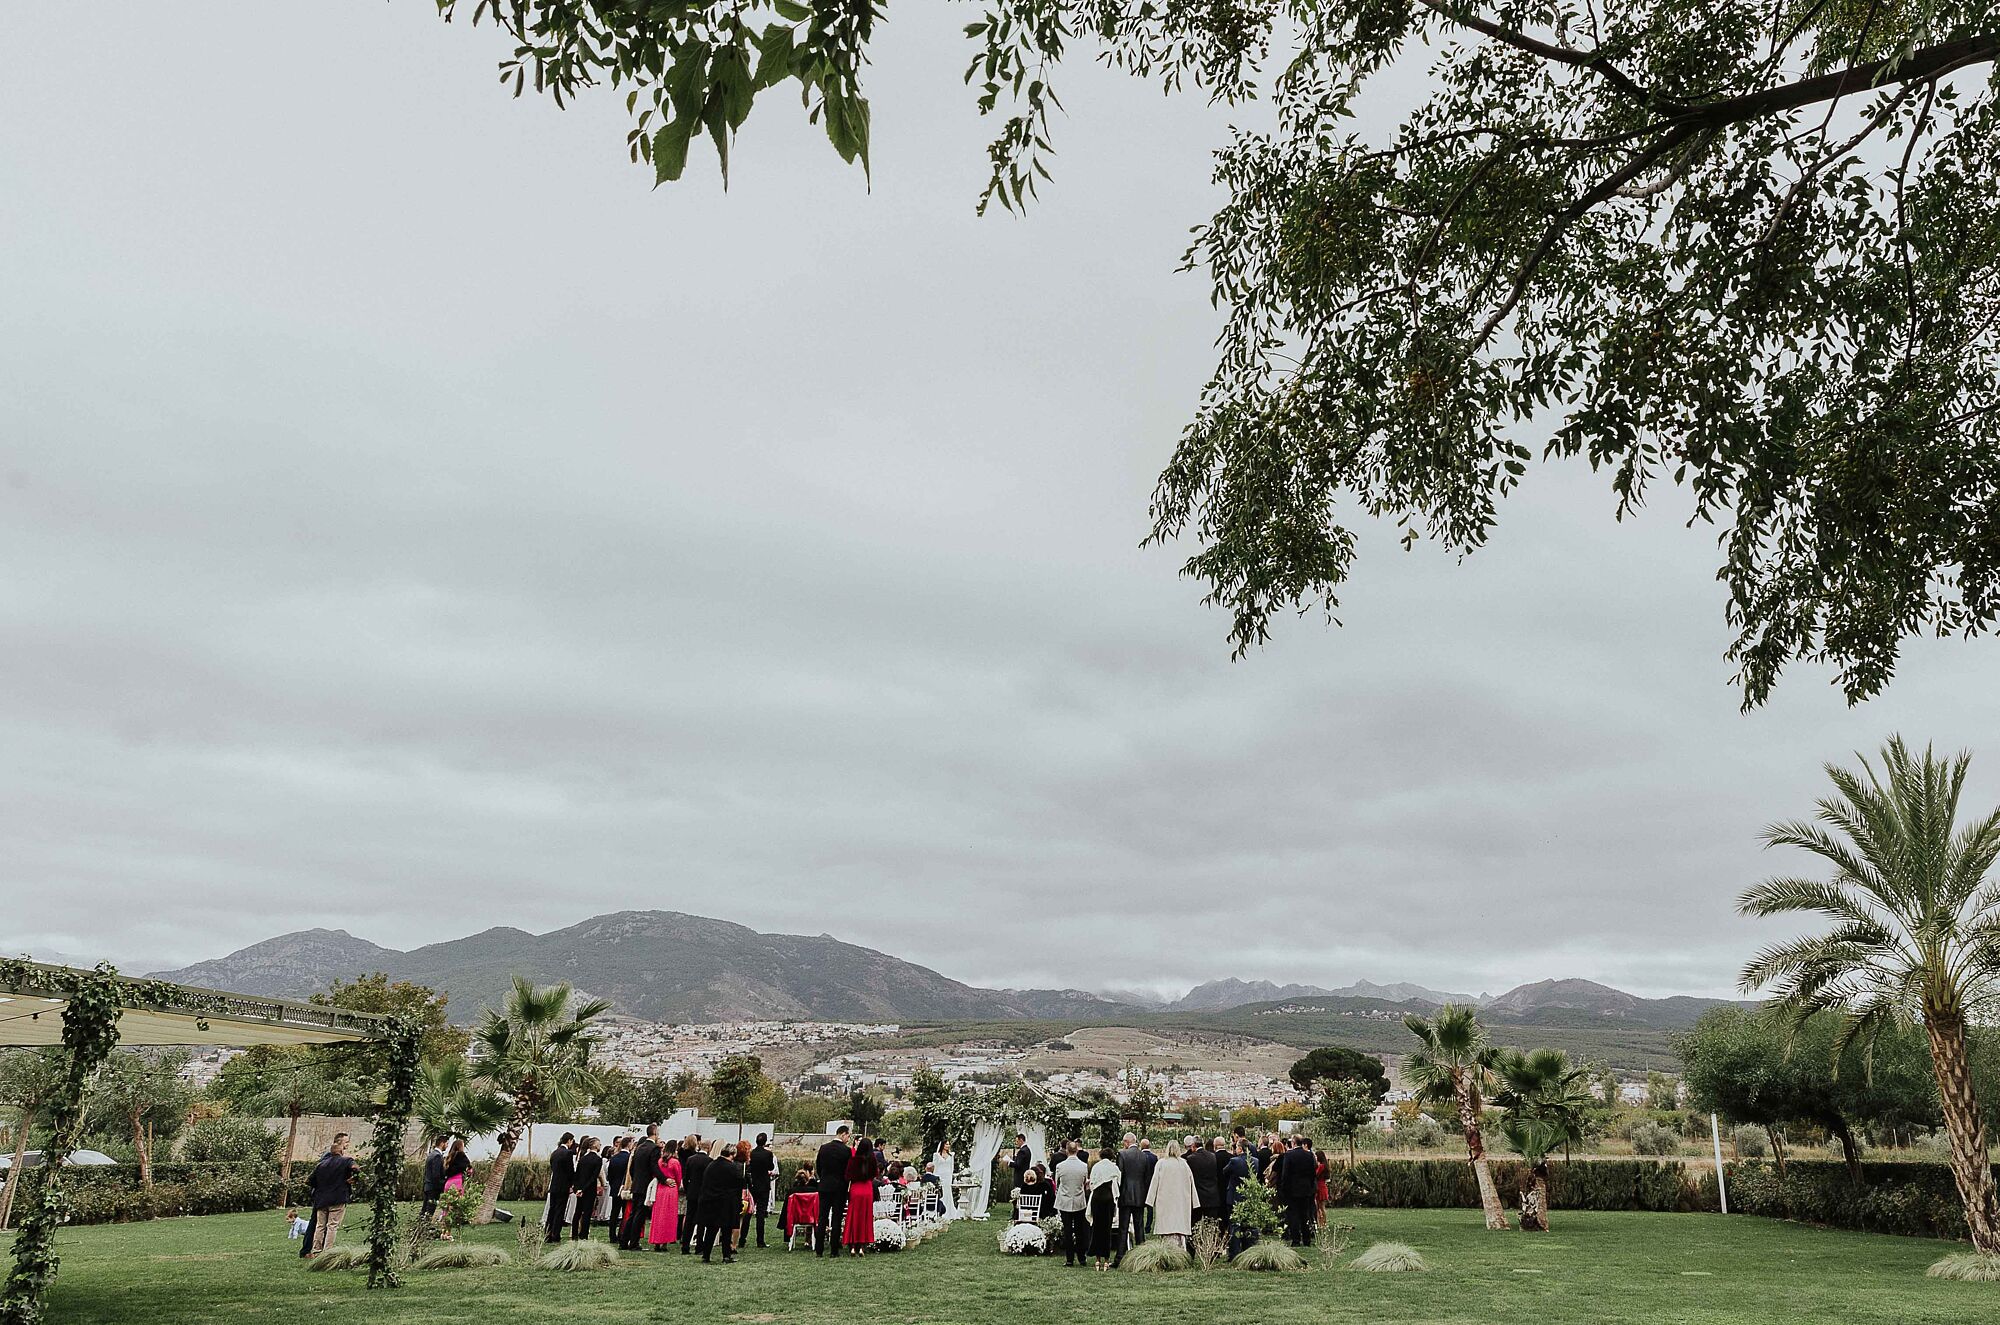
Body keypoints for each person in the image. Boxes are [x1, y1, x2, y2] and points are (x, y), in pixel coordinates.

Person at [694, 1140, 746, 1263]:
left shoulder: (711, 1166)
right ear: (732, 1155)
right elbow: (738, 1187)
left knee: (711, 1230)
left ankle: (706, 1255)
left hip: (710, 1202)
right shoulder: (733, 1168)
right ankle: (726, 1256)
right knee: (726, 1230)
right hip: (726, 1204)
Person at [308, 1133, 357, 1255]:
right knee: (332, 1226)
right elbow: (356, 1168)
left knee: (320, 1226)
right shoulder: (346, 1161)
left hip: (321, 1199)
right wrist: (354, 1178)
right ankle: (327, 1251)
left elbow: (309, 1181)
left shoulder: (321, 1164)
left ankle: (316, 1250)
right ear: (340, 1151)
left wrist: (321, 1187)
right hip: (338, 1198)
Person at [1143, 1139, 1194, 1248]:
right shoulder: (1184, 1164)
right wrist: (1194, 1201)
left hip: (1165, 1201)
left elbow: (1154, 1181)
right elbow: (1191, 1183)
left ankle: (1166, 1250)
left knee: (1166, 1227)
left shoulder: (1161, 1163)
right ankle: (1181, 1250)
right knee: (1179, 1227)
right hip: (1181, 1201)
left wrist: (1150, 1200)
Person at [618, 1125, 662, 1250]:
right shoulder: (654, 1149)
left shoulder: (639, 1148)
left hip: (636, 1184)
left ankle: (624, 1241)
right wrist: (664, 1179)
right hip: (645, 1186)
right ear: (654, 1132)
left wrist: (636, 1179)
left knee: (632, 1214)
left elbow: (632, 1169)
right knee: (639, 1215)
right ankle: (634, 1243)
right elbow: (654, 1167)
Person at [815, 1125, 853, 1258]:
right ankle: (834, 1250)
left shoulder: (823, 1148)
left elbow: (818, 1167)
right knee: (837, 1218)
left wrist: (824, 1178)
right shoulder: (846, 1151)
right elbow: (848, 1171)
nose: (848, 1139)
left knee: (822, 1217)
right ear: (843, 1134)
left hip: (825, 1186)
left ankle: (819, 1249)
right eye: (848, 1136)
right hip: (839, 1188)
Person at [1275, 1134, 1318, 1246]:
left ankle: (1296, 1239)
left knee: (1293, 1215)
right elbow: (1313, 1172)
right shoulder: (1309, 1155)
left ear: (1293, 1143)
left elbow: (1285, 1173)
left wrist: (1284, 1188)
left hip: (1292, 1190)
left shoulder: (1289, 1155)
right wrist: (1310, 1185)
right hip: (1306, 1189)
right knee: (1305, 1215)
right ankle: (1307, 1239)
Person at [1053, 1141, 1089, 1268]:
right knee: (1080, 1231)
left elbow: (1057, 1183)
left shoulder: (1060, 1166)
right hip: (1079, 1201)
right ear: (1077, 1151)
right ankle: (1081, 1258)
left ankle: (1069, 1259)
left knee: (1068, 1231)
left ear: (1067, 1151)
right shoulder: (1084, 1166)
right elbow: (1085, 1183)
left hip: (1064, 1201)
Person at [1114, 1133, 1148, 1262]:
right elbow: (1146, 1177)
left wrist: (1118, 1193)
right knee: (1139, 1225)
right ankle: (1142, 1254)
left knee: (1123, 1227)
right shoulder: (1144, 1156)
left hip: (1125, 1195)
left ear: (1127, 1142)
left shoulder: (1122, 1154)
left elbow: (1119, 1176)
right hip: (1140, 1195)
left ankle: (1120, 1256)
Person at [842, 1137, 879, 1256]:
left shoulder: (853, 1160)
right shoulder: (872, 1160)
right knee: (865, 1217)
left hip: (856, 1189)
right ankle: (862, 1246)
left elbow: (847, 1176)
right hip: (867, 1189)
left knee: (853, 1216)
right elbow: (875, 1174)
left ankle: (852, 1245)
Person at [1086, 1148, 1120, 1271]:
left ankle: (1097, 1259)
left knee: (1096, 1228)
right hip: (1108, 1199)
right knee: (1107, 1229)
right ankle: (1106, 1259)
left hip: (1096, 1199)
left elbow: (1092, 1183)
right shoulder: (1113, 1167)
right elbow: (1118, 1182)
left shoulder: (1096, 1167)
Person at [681, 1139, 715, 1255]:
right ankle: (699, 1246)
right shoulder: (710, 1161)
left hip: (692, 1193)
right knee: (701, 1221)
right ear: (709, 1147)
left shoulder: (691, 1159)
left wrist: (687, 1190)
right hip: (704, 1194)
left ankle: (685, 1246)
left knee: (689, 1220)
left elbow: (686, 1178)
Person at [649, 1141, 683, 1250]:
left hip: (660, 1188)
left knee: (658, 1215)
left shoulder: (660, 1161)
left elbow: (655, 1173)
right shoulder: (675, 1162)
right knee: (669, 1216)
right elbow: (678, 1177)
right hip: (671, 1189)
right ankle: (665, 1242)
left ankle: (656, 1241)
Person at [544, 1132, 577, 1243]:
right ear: (569, 1141)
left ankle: (547, 1233)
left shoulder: (555, 1153)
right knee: (560, 1210)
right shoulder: (567, 1153)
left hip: (554, 1184)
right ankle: (555, 1234)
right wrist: (572, 1183)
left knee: (552, 1209)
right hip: (563, 1186)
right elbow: (570, 1171)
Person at [745, 1132, 776, 1249]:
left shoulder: (752, 1153)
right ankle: (760, 1240)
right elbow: (771, 1167)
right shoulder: (768, 1154)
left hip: (753, 1185)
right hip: (764, 1185)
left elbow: (750, 1167)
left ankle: (743, 1238)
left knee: (749, 1211)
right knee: (761, 1213)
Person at [571, 1137, 604, 1240]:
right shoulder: (598, 1160)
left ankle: (574, 1234)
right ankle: (584, 1234)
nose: (600, 1145)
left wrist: (577, 1189)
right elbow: (593, 1177)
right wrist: (583, 1189)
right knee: (587, 1213)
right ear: (594, 1145)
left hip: (580, 1189)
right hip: (589, 1190)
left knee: (578, 1211)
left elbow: (577, 1175)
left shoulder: (583, 1158)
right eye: (599, 1144)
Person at [1185, 1133, 1220, 1227]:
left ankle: (1195, 1241)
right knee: (1211, 1224)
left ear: (1193, 1146)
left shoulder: (1191, 1159)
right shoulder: (1213, 1156)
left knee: (1195, 1223)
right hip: (1212, 1194)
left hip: (1198, 1195)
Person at [605, 1135, 632, 1236]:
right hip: (625, 1188)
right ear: (629, 1144)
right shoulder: (629, 1158)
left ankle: (612, 1234)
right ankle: (622, 1233)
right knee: (625, 1212)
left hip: (615, 1187)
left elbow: (610, 1174)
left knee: (614, 1212)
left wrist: (613, 1185)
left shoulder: (614, 1158)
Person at [420, 1137, 447, 1223]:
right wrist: (442, 1185)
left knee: (425, 1209)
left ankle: (420, 1227)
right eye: (446, 1143)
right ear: (442, 1143)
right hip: (433, 1188)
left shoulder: (431, 1155)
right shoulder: (437, 1156)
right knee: (430, 1209)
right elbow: (436, 1175)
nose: (447, 1146)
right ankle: (425, 1228)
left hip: (428, 1186)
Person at [931, 1138, 958, 1219]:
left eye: (948, 1144)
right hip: (940, 1175)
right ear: (942, 1145)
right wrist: (935, 1177)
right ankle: (941, 1209)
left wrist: (951, 1175)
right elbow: (934, 1166)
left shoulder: (951, 1155)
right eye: (946, 1144)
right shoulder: (937, 1155)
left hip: (948, 1175)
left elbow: (951, 1166)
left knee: (948, 1192)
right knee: (941, 1192)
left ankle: (950, 1211)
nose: (948, 1146)